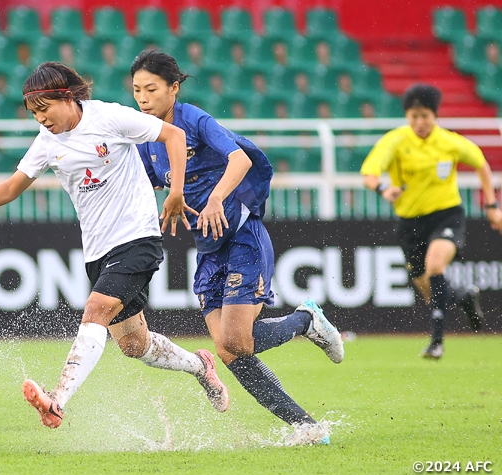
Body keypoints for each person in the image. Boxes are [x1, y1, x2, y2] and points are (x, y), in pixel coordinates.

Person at [0, 61, 229, 428]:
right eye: (33, 113)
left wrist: (176, 192)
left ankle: (57, 400)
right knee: (134, 345)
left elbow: (174, 136)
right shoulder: (47, 141)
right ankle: (200, 367)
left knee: (95, 310)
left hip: (137, 237)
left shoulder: (109, 117)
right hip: (97, 251)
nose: (40, 119)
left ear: (67, 97)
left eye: (44, 109)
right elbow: (12, 187)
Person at [130, 49, 344, 443]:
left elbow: (240, 160)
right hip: (208, 249)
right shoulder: (148, 140)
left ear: (174, 89)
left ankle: (306, 321)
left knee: (236, 341)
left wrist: (215, 198)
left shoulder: (195, 120)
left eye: (151, 89)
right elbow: (139, 183)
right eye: (137, 90)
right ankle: (308, 427)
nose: (142, 99)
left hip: (243, 236)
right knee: (230, 352)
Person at [361, 83, 502, 359]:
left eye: (425, 116)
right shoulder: (395, 141)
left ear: (435, 115)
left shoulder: (450, 142)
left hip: (446, 214)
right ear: (407, 116)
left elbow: (481, 164)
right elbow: (369, 174)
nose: (419, 122)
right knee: (429, 291)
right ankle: (463, 296)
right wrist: (383, 189)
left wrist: (491, 205)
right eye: (414, 116)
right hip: (410, 222)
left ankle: (436, 342)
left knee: (435, 267)